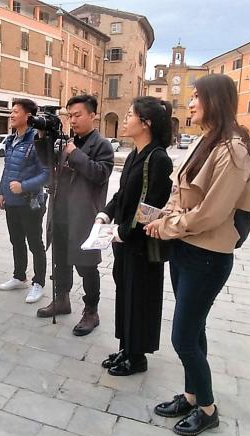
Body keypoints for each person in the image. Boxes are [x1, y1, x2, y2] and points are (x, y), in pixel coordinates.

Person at [144, 74, 250, 436]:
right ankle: (191, 395)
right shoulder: (207, 142)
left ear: (216, 101)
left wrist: (170, 226)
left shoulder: (233, 150)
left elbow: (212, 213)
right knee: (194, 330)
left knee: (183, 337)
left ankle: (207, 408)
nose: (190, 103)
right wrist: (162, 218)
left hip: (207, 256)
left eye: (196, 97)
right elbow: (181, 192)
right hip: (186, 250)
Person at [95, 96, 173, 376]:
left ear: (146, 122)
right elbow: (121, 194)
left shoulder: (158, 158)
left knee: (139, 298)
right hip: (124, 242)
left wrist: (122, 232)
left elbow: (149, 208)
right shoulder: (134, 154)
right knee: (125, 294)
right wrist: (105, 214)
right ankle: (126, 347)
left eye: (130, 115)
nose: (125, 119)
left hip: (140, 244)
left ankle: (138, 356)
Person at [34, 95, 114, 336]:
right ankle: (62, 299)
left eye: (78, 115)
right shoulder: (67, 141)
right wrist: (41, 138)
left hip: (84, 215)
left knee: (87, 265)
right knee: (60, 259)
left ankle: (91, 311)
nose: (73, 120)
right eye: (70, 115)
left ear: (93, 115)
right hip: (60, 209)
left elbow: (100, 174)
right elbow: (47, 164)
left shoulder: (102, 145)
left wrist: (74, 153)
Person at [0, 98, 49, 303]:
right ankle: (19, 276)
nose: (11, 115)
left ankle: (39, 283)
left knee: (35, 243)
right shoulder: (11, 140)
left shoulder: (38, 140)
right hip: (11, 203)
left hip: (31, 202)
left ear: (28, 116)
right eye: (12, 111)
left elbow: (47, 174)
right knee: (16, 240)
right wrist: (1, 192)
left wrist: (23, 186)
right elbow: (7, 170)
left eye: (15, 111)